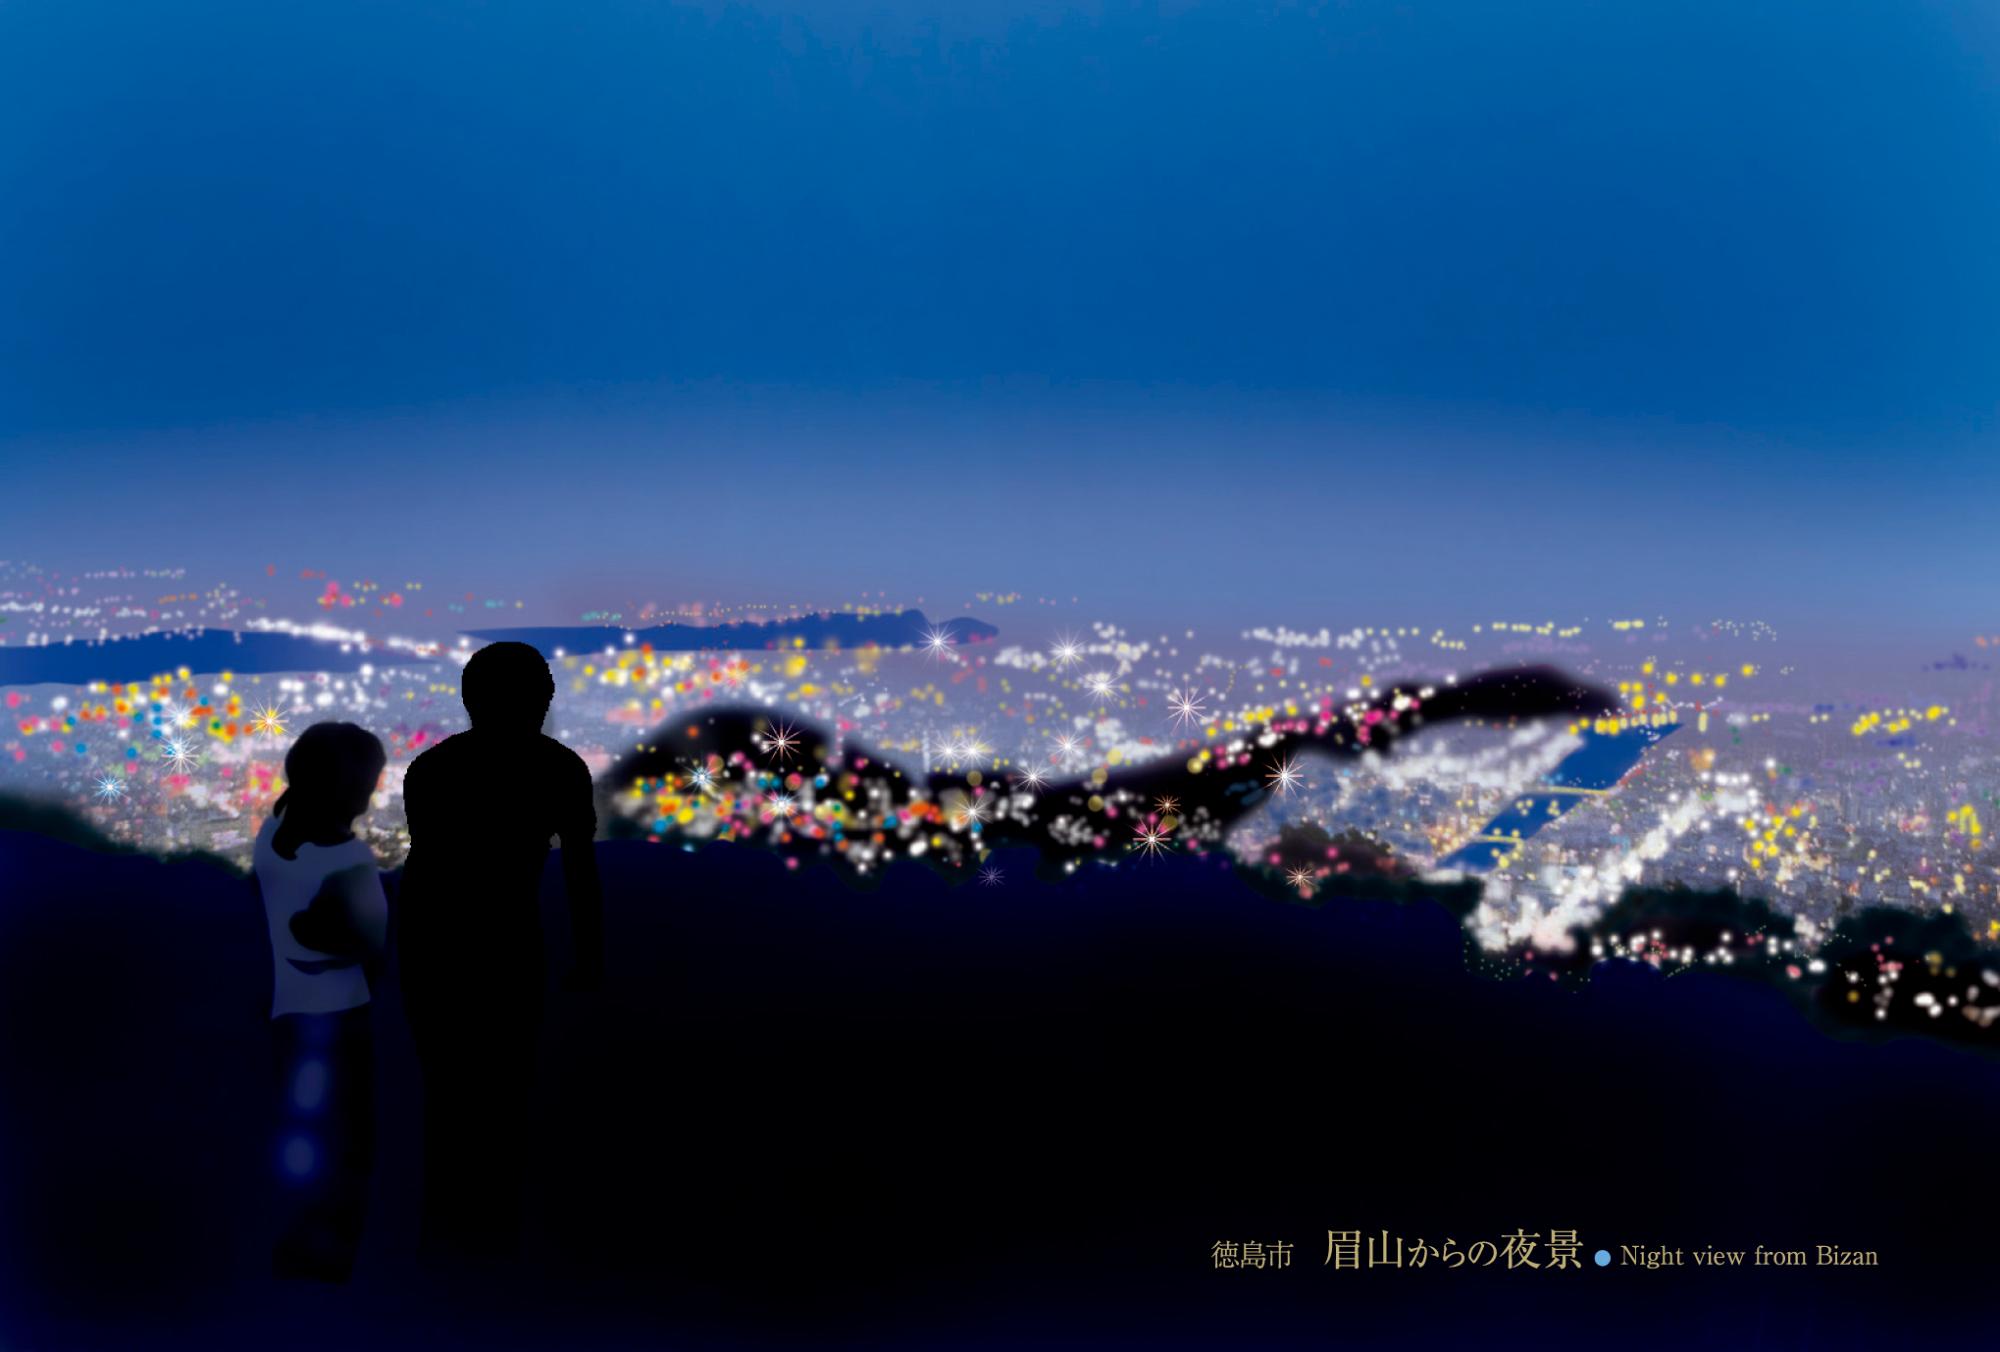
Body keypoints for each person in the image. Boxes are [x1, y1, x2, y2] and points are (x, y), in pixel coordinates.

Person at [398, 640, 603, 1262]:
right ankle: (494, 1247)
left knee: (449, 1104)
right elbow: (580, 873)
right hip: (511, 950)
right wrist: (590, 957)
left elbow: (427, 877)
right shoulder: (560, 769)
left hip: (436, 954)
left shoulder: (431, 770)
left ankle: (444, 1249)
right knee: (505, 1101)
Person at [253, 720, 391, 1282]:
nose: (371, 793)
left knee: (303, 1130)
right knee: (349, 1139)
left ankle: (295, 1241)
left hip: (289, 1006)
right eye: (367, 781)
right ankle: (330, 1254)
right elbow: (372, 943)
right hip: (342, 1012)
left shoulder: (275, 833)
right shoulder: (348, 857)